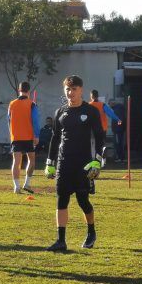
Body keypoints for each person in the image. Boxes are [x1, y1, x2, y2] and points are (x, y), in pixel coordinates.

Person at [44, 75, 105, 252]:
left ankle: (91, 232)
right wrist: (50, 162)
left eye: (74, 89)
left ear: (81, 90)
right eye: (67, 89)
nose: (70, 93)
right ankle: (60, 240)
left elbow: (100, 139)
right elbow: (55, 139)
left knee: (82, 200)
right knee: (61, 200)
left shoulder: (91, 111)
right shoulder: (60, 112)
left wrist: (97, 161)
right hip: (64, 162)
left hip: (84, 163)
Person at [8, 81, 40, 194]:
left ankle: (16, 186)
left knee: (16, 162)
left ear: (19, 90)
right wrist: (36, 136)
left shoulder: (12, 104)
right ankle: (27, 183)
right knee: (31, 160)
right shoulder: (32, 104)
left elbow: (9, 120)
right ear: (29, 91)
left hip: (15, 136)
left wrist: (11, 134)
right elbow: (35, 122)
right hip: (28, 137)